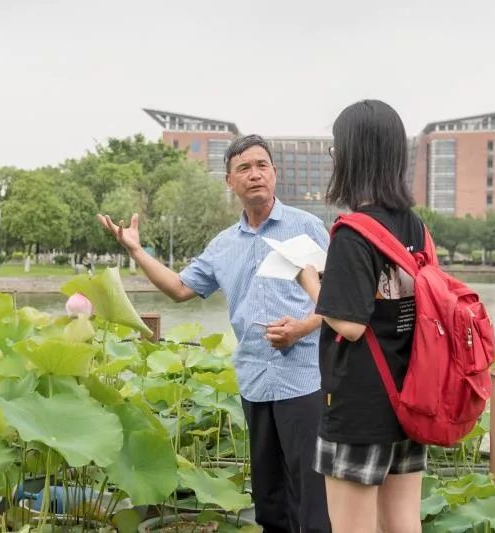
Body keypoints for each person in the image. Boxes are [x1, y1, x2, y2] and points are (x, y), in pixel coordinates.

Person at [97, 134, 331, 533]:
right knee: (270, 499)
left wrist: (302, 328)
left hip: (304, 380)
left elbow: (337, 301)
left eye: (261, 166)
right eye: (244, 168)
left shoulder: (307, 227)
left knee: (311, 499)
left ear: (274, 173)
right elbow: (180, 288)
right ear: (229, 181)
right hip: (255, 381)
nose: (254, 175)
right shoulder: (224, 244)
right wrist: (136, 251)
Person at [296, 99, 425, 533]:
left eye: (336, 149)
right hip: (410, 394)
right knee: (403, 523)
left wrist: (308, 280)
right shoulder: (415, 227)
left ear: (352, 154)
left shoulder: (353, 232)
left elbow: (348, 324)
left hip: (359, 407)